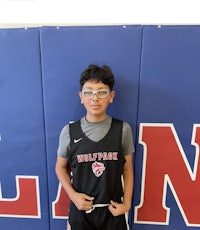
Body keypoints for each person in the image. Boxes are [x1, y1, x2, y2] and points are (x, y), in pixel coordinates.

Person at [55, 64, 134, 230]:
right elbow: (60, 168)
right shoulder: (70, 132)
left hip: (113, 212)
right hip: (81, 214)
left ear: (111, 96)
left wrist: (126, 204)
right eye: (89, 92)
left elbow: (127, 169)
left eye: (101, 92)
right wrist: (73, 196)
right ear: (81, 97)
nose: (95, 98)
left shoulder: (122, 130)